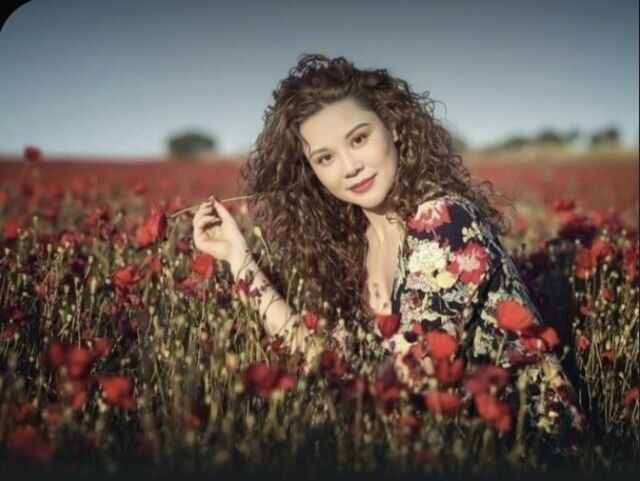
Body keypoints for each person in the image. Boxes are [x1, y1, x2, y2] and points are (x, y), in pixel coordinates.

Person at [191, 53, 585, 453]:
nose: (349, 167)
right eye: (325, 158)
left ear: (393, 125)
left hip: (525, 449)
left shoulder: (444, 222)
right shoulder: (352, 244)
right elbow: (328, 362)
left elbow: (409, 385)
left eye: (358, 139)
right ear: (312, 172)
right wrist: (237, 258)